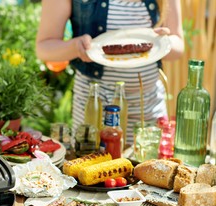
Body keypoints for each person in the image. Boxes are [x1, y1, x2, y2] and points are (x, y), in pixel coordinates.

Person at [35, 0, 184, 146]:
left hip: (148, 108)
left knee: (147, 167)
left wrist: (165, 43)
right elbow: (44, 47)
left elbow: (178, 44)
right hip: (95, 108)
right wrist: (76, 46)